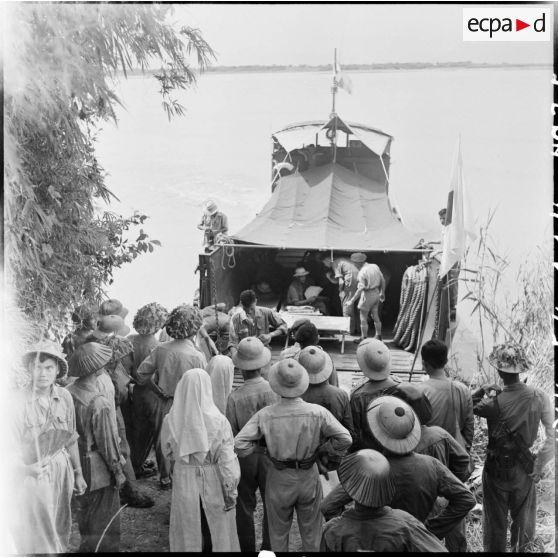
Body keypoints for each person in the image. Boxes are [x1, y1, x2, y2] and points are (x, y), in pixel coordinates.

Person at [321, 396, 476, 544]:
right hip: (418, 544)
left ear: (377, 434)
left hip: (380, 542)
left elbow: (328, 506)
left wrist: (353, 532)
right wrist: (429, 531)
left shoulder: (370, 468)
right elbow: (466, 499)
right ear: (412, 431)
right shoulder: (432, 465)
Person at [235, 359, 352, 552]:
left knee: (278, 535)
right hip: (308, 475)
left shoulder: (266, 415)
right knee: (312, 533)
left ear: (276, 385)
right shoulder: (317, 413)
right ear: (302, 384)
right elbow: (345, 438)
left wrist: (262, 450)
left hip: (279, 477)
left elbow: (239, 444)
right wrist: (324, 450)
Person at [472, 341, 554, 553]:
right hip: (524, 468)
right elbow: (553, 437)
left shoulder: (491, 403)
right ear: (521, 369)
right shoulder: (540, 397)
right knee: (524, 525)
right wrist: (539, 464)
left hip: (496, 470)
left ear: (499, 370)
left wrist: (482, 389)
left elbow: (468, 404)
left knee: (495, 526)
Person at [12, 341, 87, 554]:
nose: (43, 373)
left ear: (57, 371)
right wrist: (27, 469)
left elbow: (70, 439)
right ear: (29, 369)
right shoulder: (16, 402)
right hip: (32, 474)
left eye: (49, 368)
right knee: (36, 529)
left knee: (61, 522)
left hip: (62, 470)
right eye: (37, 367)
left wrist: (78, 473)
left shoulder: (64, 397)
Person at [161, 369, 240, 552]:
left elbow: (167, 453)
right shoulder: (220, 421)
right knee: (216, 528)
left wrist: (185, 460)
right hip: (214, 477)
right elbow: (227, 461)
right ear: (207, 388)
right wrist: (231, 489)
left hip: (184, 476)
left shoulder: (170, 420)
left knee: (188, 524)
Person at [393, 382, 472, 552]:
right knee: (455, 543)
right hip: (446, 497)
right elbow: (463, 460)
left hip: (417, 505)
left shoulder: (396, 446)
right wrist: (453, 481)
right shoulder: (439, 433)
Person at [136, 304, 207, 489]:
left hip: (163, 400)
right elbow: (201, 385)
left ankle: (165, 477)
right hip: (187, 403)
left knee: (162, 438)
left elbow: (141, 374)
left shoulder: (161, 348)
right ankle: (183, 477)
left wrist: (156, 389)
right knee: (186, 438)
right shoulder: (197, 356)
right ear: (194, 328)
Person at [320, 450, 448, 553]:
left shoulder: (332, 530)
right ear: (386, 487)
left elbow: (327, 507)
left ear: (350, 489)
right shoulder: (405, 525)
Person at [87, 315, 153, 508]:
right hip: (111, 409)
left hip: (104, 405)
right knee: (121, 448)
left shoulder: (94, 348)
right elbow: (121, 390)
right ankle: (129, 490)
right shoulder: (114, 362)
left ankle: (124, 485)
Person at [67, 343, 126, 553]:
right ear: (97, 369)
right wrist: (118, 472)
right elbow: (108, 445)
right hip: (97, 465)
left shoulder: (68, 392)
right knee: (105, 523)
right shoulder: (99, 403)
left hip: (75, 462)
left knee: (85, 517)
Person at [226, 337, 278, 552]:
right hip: (270, 455)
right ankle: (269, 548)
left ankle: (246, 548)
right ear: (261, 363)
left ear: (241, 368)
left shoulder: (235, 397)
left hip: (245, 456)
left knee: (244, 505)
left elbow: (231, 432)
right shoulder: (274, 390)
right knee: (272, 506)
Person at [127, 302, 168, 478]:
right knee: (159, 434)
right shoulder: (157, 345)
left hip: (136, 392)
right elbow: (151, 376)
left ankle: (136, 465)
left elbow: (129, 370)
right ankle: (165, 475)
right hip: (152, 393)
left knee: (138, 432)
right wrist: (160, 392)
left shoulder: (129, 339)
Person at [419, 339, 474, 452]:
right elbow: (469, 428)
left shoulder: (419, 391)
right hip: (456, 453)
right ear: (446, 361)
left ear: (424, 363)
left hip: (429, 453)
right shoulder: (463, 390)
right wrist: (465, 452)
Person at [349, 338, 400, 451]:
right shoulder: (400, 386)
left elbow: (355, 432)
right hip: (397, 448)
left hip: (370, 452)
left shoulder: (358, 397)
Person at [299, 346, 355, 445]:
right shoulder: (341, 395)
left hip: (306, 450)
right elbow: (349, 431)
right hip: (333, 450)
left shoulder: (298, 396)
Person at [228, 289, 288, 365]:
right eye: (246, 309)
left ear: (255, 301)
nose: (249, 311)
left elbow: (284, 326)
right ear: (241, 304)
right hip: (245, 356)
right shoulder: (236, 319)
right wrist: (235, 358)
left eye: (251, 308)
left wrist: (270, 335)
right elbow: (232, 342)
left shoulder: (266, 312)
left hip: (263, 354)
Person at [280, 320, 339, 387]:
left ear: (297, 338)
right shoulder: (327, 359)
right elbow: (334, 384)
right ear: (318, 338)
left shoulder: (288, 357)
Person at [345, 253, 385, 342]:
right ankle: (378, 335)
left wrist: (351, 301)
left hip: (367, 295)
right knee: (375, 315)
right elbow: (382, 280)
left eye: (353, 263)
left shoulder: (362, 272)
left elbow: (361, 288)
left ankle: (364, 337)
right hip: (376, 293)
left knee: (363, 316)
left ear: (356, 263)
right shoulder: (375, 266)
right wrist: (382, 292)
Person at [323, 255, 360, 333]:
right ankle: (358, 329)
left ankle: (348, 330)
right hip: (359, 281)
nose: (325, 265)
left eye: (324, 263)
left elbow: (341, 282)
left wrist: (340, 290)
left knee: (346, 306)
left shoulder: (335, 263)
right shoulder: (344, 260)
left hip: (350, 283)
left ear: (327, 260)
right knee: (356, 307)